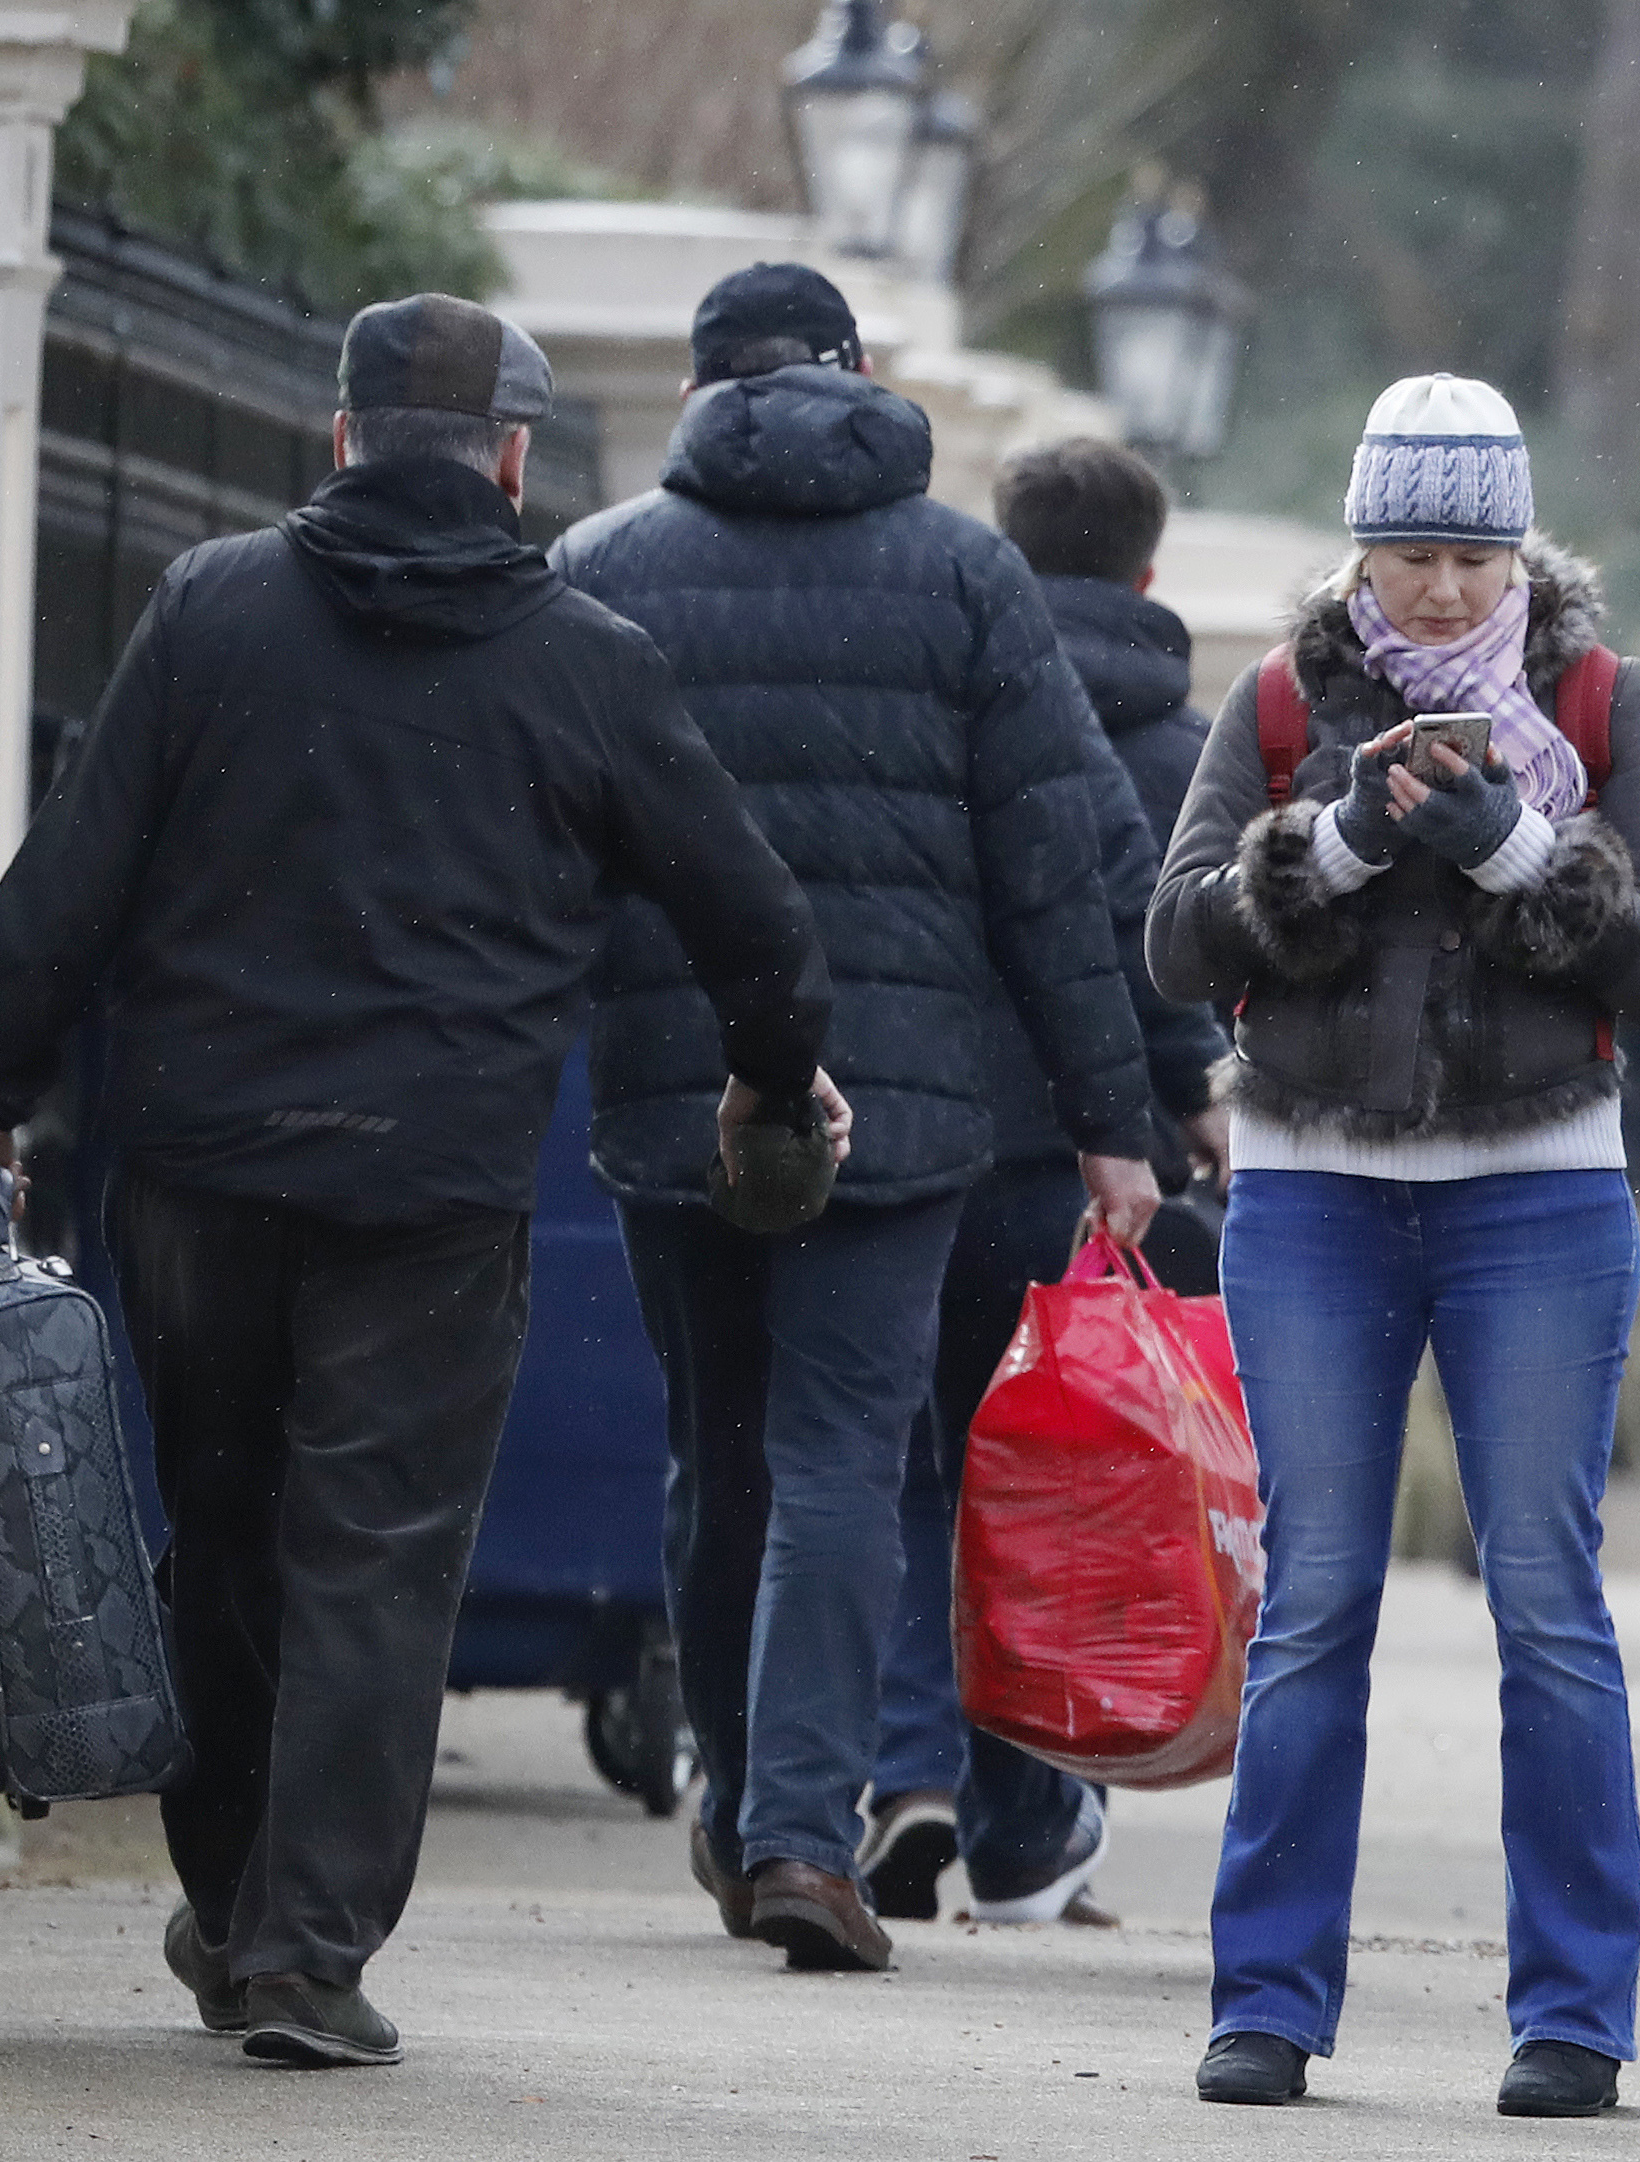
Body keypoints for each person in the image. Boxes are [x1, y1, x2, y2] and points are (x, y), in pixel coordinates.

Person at [0, 294, 837, 2067]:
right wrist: (765, 1071)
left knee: (223, 1537)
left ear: (338, 438)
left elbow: (74, 868)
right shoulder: (586, 660)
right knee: (376, 1555)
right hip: (431, 1187)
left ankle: (241, 1900)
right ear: (510, 462)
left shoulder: (209, 613)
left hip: (198, 1166)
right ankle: (304, 1947)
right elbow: (755, 916)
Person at [553, 265, 1160, 1974]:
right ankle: (804, 1835)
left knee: (714, 1449)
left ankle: (748, 1810)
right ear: (862, 373)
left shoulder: (600, 572)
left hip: (677, 1090)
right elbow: (1065, 867)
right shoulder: (965, 574)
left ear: (692, 389)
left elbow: (543, 855)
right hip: (899, 1106)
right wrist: (1116, 1122)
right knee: (839, 1449)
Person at [1149, 374, 1640, 2116]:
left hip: (1539, 1194)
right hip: (1311, 1192)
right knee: (1312, 1601)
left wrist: (1513, 841)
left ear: (1516, 548)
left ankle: (1570, 2020)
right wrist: (1334, 838)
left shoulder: (1605, 703)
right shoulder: (1278, 701)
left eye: (1471, 552)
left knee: (1544, 1605)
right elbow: (1171, 941)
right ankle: (1266, 2001)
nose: (1442, 589)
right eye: (1408, 552)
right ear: (1359, 548)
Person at [863, 438, 1232, 1929]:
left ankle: (906, 1766)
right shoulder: (1191, 750)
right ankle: (1026, 1824)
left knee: (906, 1476)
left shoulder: (945, 695)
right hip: (1088, 1163)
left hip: (919, 1136)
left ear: (1002, 554)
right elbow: (1175, 940)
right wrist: (1184, 1097)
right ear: (1149, 573)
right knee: (1045, 1498)